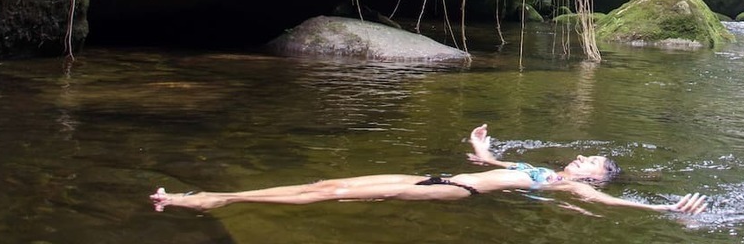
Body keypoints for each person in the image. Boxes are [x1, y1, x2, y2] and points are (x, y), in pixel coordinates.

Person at [150, 124, 708, 216]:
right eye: (585, 155)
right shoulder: (540, 169)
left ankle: (219, 199)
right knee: (330, 182)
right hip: (439, 175)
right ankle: (221, 195)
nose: (582, 159)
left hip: (456, 192)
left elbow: (613, 206)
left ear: (594, 179)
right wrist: (479, 144)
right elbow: (495, 163)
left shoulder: (573, 192)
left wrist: (663, 207)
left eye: (593, 164)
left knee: (338, 194)